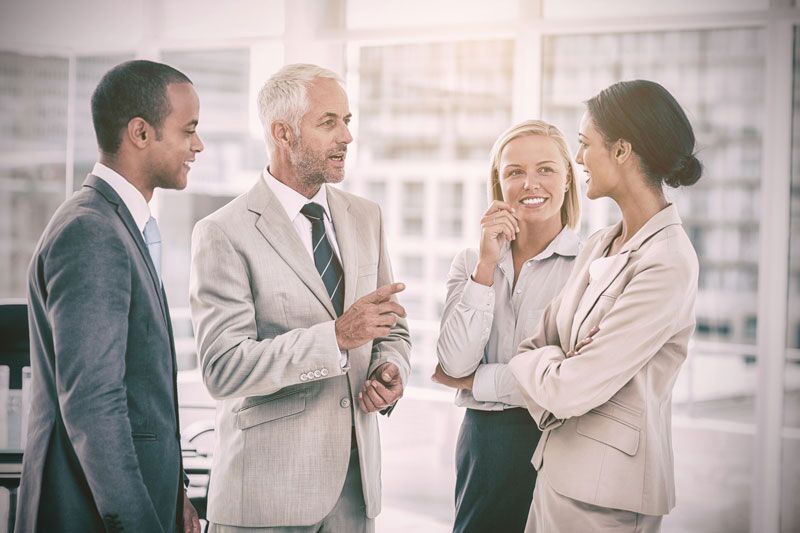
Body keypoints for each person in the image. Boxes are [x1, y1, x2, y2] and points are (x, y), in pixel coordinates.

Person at [189, 63, 412, 533]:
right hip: (264, 499)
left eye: (347, 121)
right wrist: (335, 337)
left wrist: (391, 370)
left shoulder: (365, 216)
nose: (346, 137)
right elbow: (223, 369)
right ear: (283, 132)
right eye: (328, 122)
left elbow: (390, 327)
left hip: (354, 494)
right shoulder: (223, 232)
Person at [16, 60, 204, 532]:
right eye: (188, 131)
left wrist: (173, 493)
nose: (197, 146)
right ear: (140, 132)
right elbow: (94, 405)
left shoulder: (115, 224)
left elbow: (142, 392)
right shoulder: (91, 232)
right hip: (88, 516)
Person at [508, 80, 702, 532]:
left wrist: (557, 366)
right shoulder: (600, 244)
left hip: (608, 497)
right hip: (556, 473)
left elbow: (571, 389)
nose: (578, 159)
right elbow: (531, 345)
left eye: (584, 144)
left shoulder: (668, 261)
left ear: (621, 151)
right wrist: (559, 362)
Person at [432, 120, 581, 532]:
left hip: (559, 440)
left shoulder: (590, 267)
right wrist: (485, 267)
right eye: (515, 171)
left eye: (546, 169)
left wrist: (477, 382)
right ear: (498, 184)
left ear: (568, 178)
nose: (530, 183)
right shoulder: (470, 262)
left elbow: (572, 380)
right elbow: (454, 360)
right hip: (484, 445)